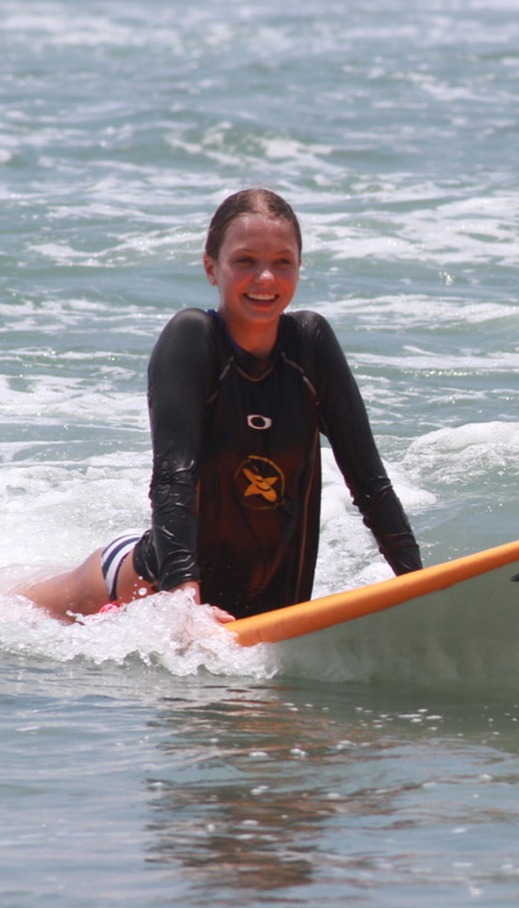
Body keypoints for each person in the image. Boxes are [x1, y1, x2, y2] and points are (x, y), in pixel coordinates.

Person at [19, 189, 422, 622]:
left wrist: (418, 585)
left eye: (282, 262)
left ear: (299, 267)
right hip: (150, 586)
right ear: (212, 268)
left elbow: (369, 482)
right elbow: (173, 478)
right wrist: (184, 603)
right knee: (19, 609)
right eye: (246, 260)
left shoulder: (310, 344)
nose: (266, 278)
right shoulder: (193, 339)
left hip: (269, 607)